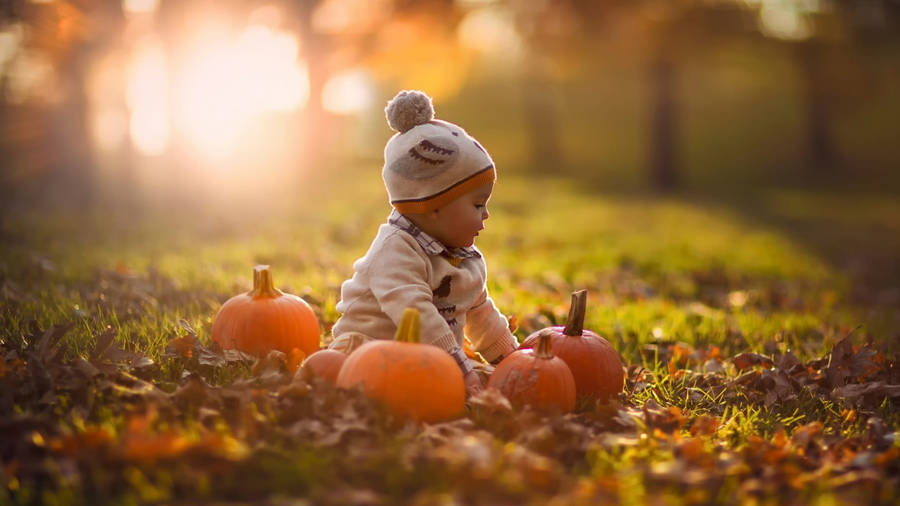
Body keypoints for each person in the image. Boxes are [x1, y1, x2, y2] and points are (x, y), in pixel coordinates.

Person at [328, 90, 518, 396]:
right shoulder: (395, 251)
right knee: (338, 375)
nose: (487, 214)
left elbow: (480, 312)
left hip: (433, 361)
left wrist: (512, 358)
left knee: (483, 385)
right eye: (478, 204)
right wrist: (456, 365)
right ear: (432, 204)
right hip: (368, 354)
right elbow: (415, 313)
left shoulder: (464, 257)